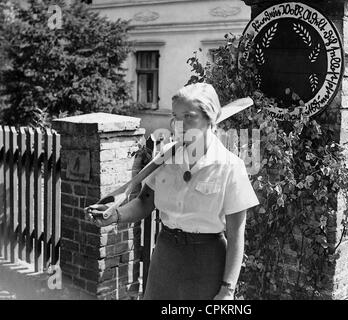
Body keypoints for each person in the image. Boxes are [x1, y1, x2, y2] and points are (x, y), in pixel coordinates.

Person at [85, 83, 259, 300]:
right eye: (175, 116)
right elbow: (144, 202)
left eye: (189, 116)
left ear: (210, 118)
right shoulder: (166, 156)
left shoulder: (230, 166)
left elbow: (236, 236)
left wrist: (227, 289)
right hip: (165, 256)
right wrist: (115, 215)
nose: (180, 124)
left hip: (206, 262)